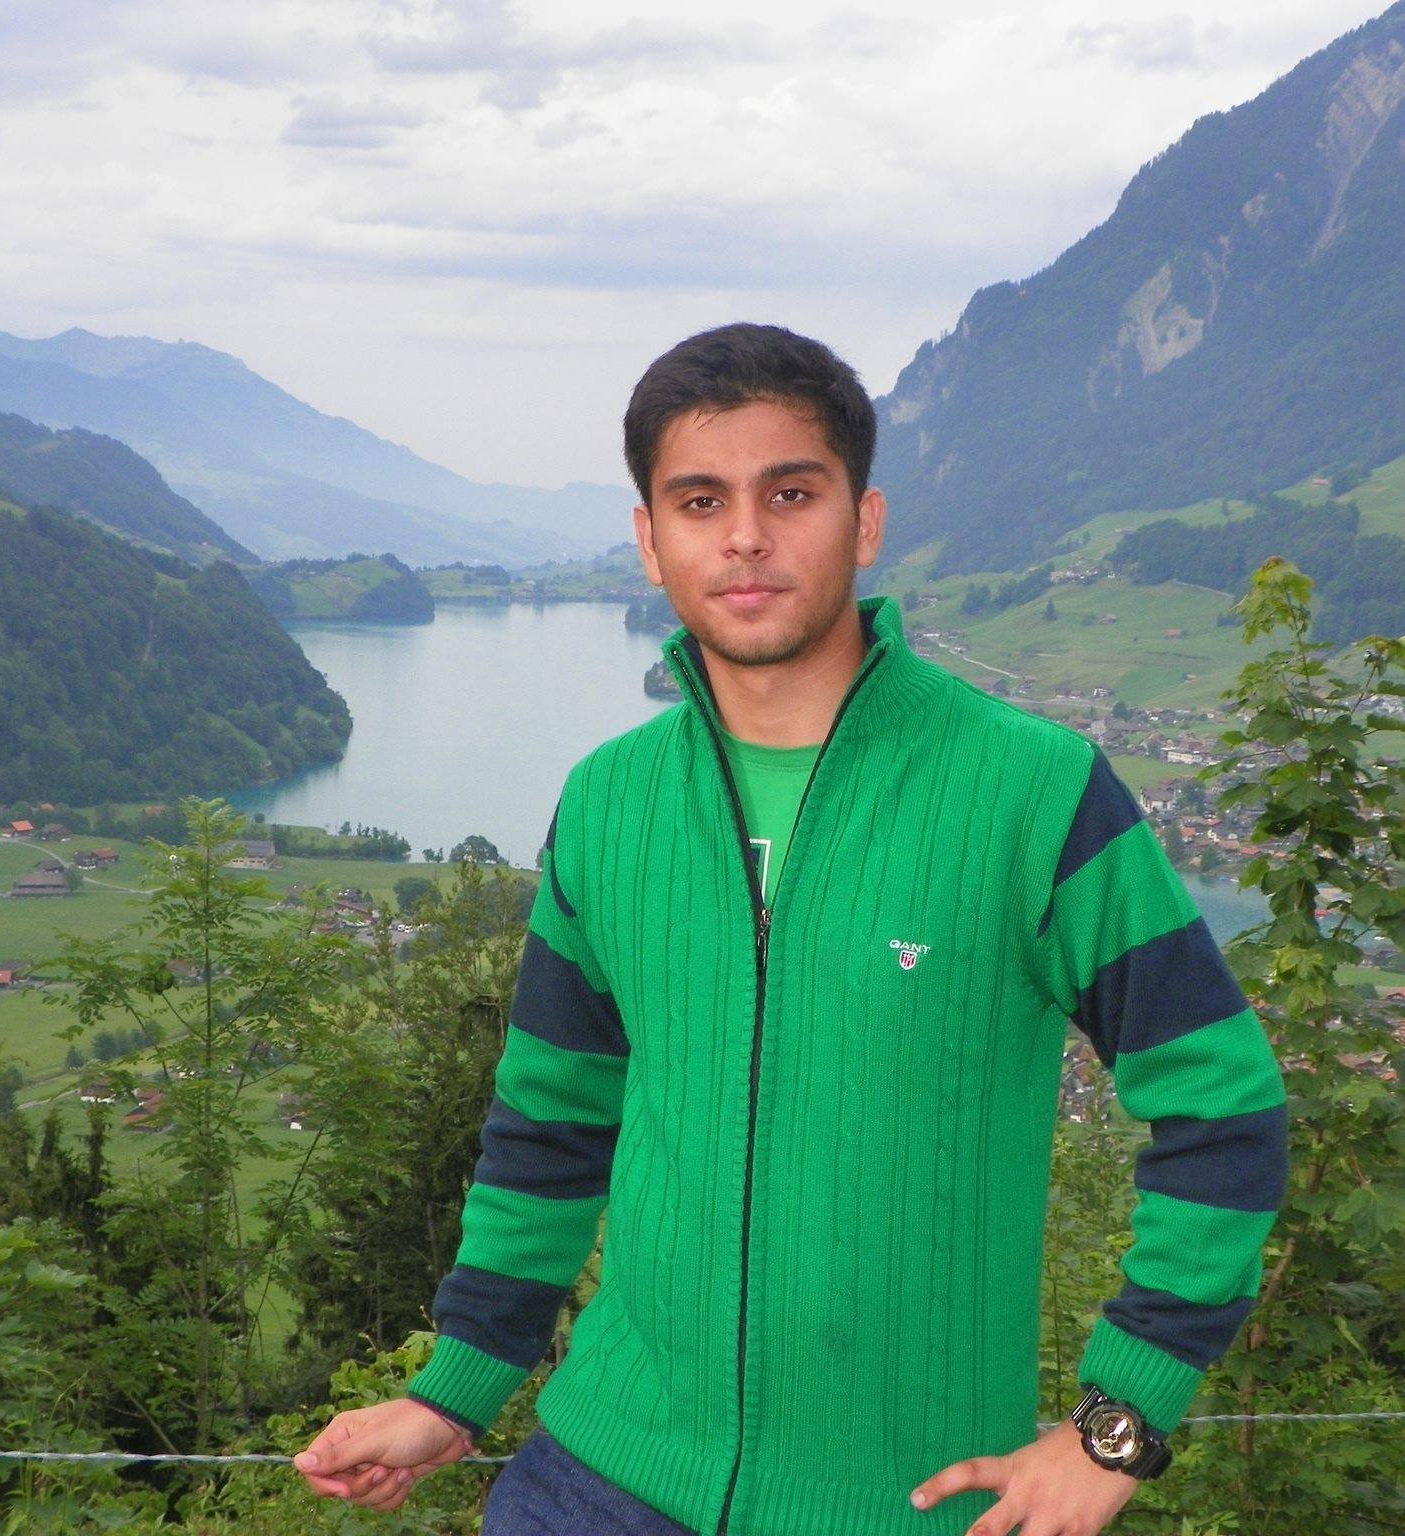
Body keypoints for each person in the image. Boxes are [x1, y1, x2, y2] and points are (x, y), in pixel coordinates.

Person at [293, 323, 1289, 1535]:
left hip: (904, 1502)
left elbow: (1223, 1104)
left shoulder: (1033, 793)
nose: (745, 537)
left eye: (791, 493)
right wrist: (454, 1391)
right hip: (596, 1478)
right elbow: (551, 1122)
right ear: (650, 540)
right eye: (700, 501)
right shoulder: (609, 803)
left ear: (864, 523)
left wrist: (1117, 1427)